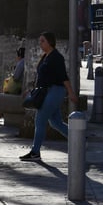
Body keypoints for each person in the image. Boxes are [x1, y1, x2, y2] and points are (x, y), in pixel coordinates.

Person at [19, 31, 78, 161]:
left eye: (42, 41)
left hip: (55, 91)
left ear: (50, 42)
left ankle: (35, 152)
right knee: (55, 123)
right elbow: (41, 78)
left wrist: (71, 93)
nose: (40, 44)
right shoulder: (45, 56)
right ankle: (79, 139)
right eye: (40, 41)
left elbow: (63, 77)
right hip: (46, 92)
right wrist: (31, 90)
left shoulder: (56, 57)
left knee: (40, 120)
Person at [0, 47, 25, 123]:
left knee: (6, 92)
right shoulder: (24, 62)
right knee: (5, 94)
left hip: (18, 87)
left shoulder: (21, 63)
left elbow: (16, 77)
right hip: (20, 87)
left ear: (19, 55)